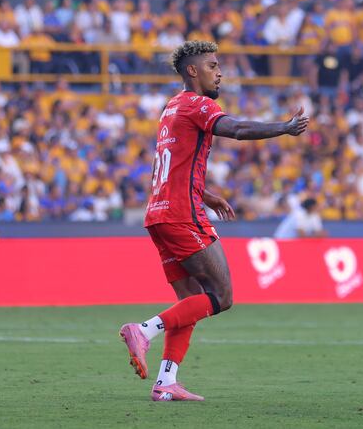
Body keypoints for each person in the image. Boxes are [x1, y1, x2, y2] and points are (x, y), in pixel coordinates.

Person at [119, 40, 309, 402]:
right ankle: (143, 330)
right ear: (193, 71)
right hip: (181, 215)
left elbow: (174, 161)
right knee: (221, 296)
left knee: (189, 301)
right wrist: (284, 127)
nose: (219, 72)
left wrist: (205, 193)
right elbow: (236, 129)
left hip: (159, 213)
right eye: (212, 65)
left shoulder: (170, 107)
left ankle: (166, 382)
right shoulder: (198, 104)